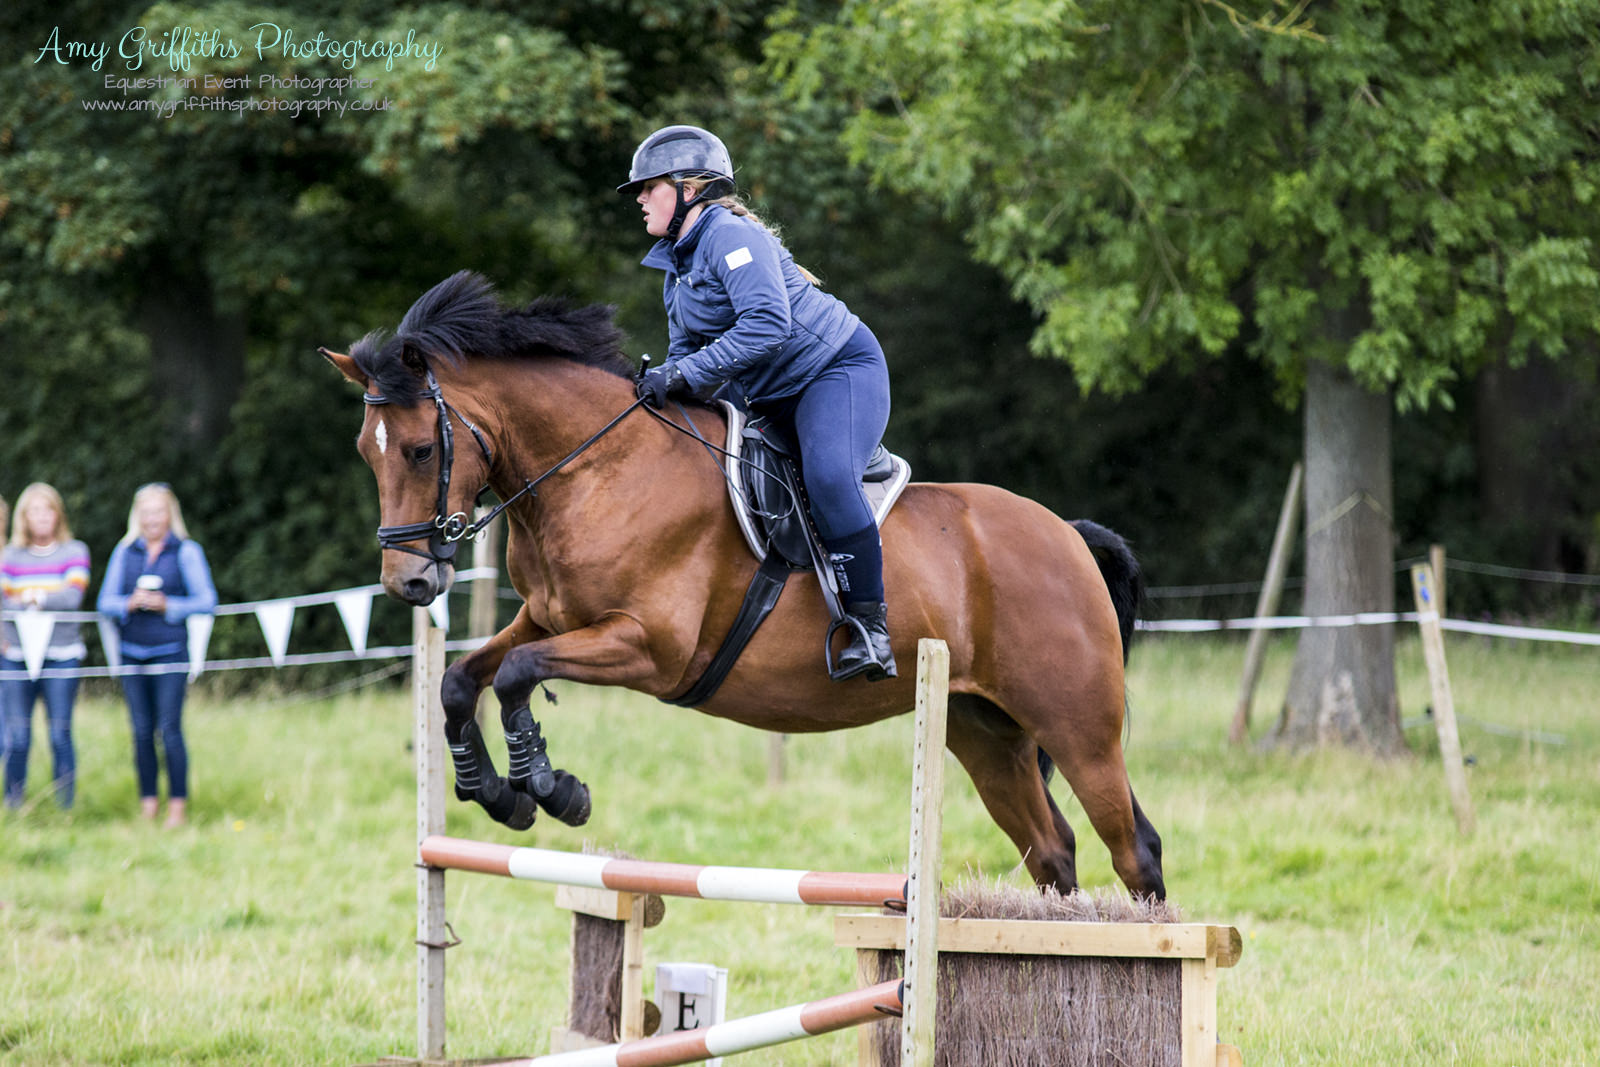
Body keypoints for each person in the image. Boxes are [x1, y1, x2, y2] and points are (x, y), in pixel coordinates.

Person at [620, 124, 897, 681]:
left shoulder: (728, 236)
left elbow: (769, 326)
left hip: (836, 371)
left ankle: (872, 629)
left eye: (650, 187)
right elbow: (688, 359)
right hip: (771, 396)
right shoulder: (675, 267)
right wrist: (660, 394)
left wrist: (682, 373)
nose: (641, 198)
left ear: (690, 189)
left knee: (826, 477)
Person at [97, 483, 216, 827]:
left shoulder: (186, 551)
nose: (152, 519)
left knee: (170, 730)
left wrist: (169, 605)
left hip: (170, 653)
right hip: (132, 653)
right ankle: (148, 803)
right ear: (138, 516)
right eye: (146, 512)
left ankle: (177, 806)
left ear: (170, 514)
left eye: (158, 511)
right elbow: (105, 602)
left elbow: (207, 601)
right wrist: (128, 603)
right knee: (139, 731)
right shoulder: (124, 552)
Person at [1, 484, 91, 810]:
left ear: (58, 514)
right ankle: (13, 804)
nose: (41, 517)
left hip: (62, 655)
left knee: (60, 734)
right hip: (15, 657)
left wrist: (33, 596)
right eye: (34, 511)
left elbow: (72, 596)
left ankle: (65, 809)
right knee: (17, 737)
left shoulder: (74, 551)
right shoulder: (10, 556)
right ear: (23, 517)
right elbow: (3, 602)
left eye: (47, 509)